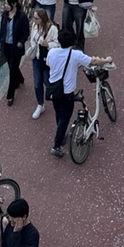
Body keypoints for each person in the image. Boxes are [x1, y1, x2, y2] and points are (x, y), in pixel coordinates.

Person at [45, 29, 112, 157]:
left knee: (59, 113)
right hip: (67, 92)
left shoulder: (52, 52)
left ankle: (61, 135)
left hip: (54, 89)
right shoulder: (75, 54)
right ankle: (56, 145)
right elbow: (93, 61)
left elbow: (49, 64)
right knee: (65, 117)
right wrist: (107, 60)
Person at [26, 7, 58, 120]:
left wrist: (47, 44)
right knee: (37, 83)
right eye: (33, 18)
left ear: (42, 19)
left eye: (36, 19)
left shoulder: (52, 29)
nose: (34, 21)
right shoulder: (35, 26)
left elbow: (58, 44)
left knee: (47, 82)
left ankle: (57, 99)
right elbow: (32, 39)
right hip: (37, 58)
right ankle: (40, 104)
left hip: (47, 59)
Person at [0, 0, 30, 107]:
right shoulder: (5, 15)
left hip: (16, 48)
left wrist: (20, 42)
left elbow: (26, 32)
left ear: (14, 4)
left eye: (8, 4)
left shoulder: (21, 17)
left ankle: (10, 95)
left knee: (12, 70)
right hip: (6, 46)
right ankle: (20, 79)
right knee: (12, 67)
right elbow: (2, 30)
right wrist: (1, 43)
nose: (6, 6)